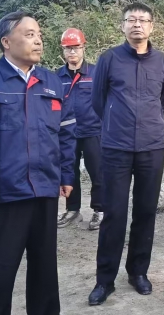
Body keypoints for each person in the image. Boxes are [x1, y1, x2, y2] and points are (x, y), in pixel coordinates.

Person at [0, 10, 76, 315]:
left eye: (39, 35)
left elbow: (66, 134)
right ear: (6, 41)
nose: (38, 41)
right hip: (5, 194)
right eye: (29, 34)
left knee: (44, 269)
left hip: (44, 189)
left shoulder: (52, 82)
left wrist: (67, 175)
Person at [88, 2, 164, 305]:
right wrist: (117, 124)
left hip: (152, 146)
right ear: (122, 26)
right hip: (116, 147)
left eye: (143, 20)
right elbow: (98, 101)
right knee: (114, 213)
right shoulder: (109, 59)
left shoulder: (162, 61)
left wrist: (149, 123)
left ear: (152, 26)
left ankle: (138, 272)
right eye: (131, 19)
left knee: (146, 211)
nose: (137, 24)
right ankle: (104, 280)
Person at [55, 28, 104, 230]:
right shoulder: (56, 77)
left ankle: (100, 210)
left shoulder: (96, 73)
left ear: (84, 48)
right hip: (67, 134)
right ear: (63, 51)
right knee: (69, 172)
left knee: (98, 172)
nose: (72, 52)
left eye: (76, 47)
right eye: (68, 48)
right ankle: (73, 210)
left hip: (93, 131)